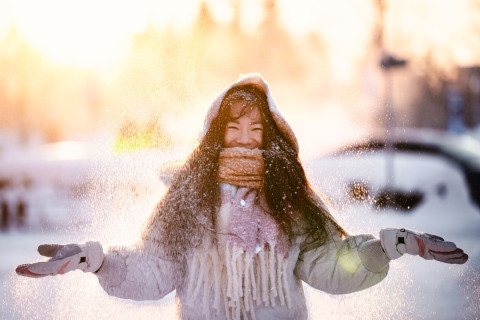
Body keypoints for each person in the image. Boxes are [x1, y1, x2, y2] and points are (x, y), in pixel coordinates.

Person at [16, 73, 468, 320]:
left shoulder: (290, 197)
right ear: (215, 135)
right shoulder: (189, 198)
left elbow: (330, 264)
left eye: (256, 129)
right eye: (233, 128)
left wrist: (387, 247)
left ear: (272, 134)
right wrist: (98, 260)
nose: (245, 140)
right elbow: (155, 269)